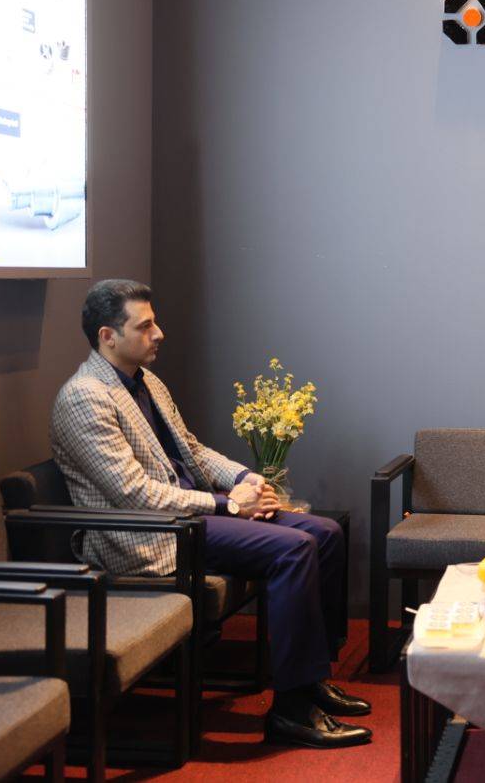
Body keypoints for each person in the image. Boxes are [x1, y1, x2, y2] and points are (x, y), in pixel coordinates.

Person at [51, 279, 371, 749]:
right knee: (295, 549)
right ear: (107, 336)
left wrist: (246, 476)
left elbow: (193, 451)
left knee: (325, 534)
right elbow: (134, 494)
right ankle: (291, 710)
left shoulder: (146, 382)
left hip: (191, 515)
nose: (158, 333)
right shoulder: (84, 397)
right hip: (149, 534)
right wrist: (230, 504)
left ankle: (310, 680)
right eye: (145, 326)